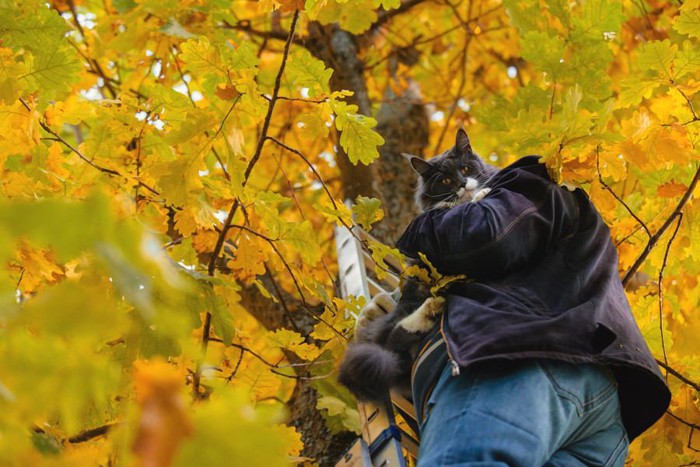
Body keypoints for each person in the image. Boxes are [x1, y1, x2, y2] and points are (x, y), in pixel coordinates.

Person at [388, 155, 670, 466]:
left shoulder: (526, 182)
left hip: (517, 358)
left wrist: (419, 229)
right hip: (604, 408)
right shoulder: (572, 239)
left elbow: (488, 235)